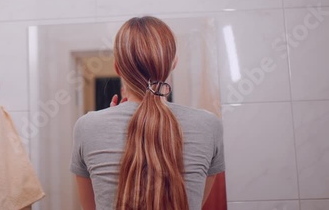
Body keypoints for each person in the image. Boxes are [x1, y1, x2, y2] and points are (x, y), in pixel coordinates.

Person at [70, 16, 225, 210]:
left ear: (117, 67)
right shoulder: (209, 125)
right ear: (173, 63)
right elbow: (191, 203)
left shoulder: (87, 127)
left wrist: (105, 128)